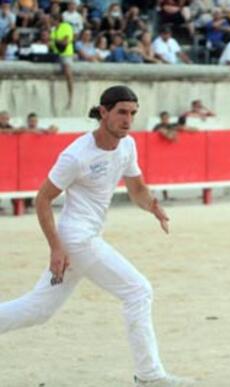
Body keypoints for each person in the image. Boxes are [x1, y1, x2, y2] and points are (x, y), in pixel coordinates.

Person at [0, 86, 195, 387]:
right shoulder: (76, 154)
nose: (128, 120)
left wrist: (152, 205)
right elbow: (42, 199)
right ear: (103, 112)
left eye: (132, 113)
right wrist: (56, 248)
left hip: (84, 239)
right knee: (138, 290)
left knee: (38, 310)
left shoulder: (128, 145)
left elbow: (136, 189)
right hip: (77, 239)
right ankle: (149, 375)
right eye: (121, 112)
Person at [49, 12, 74, 109]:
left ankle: (70, 98)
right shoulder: (54, 29)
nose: (50, 22)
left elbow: (65, 42)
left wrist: (55, 41)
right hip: (55, 54)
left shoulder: (66, 27)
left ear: (56, 20)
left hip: (66, 54)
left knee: (67, 71)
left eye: (52, 20)